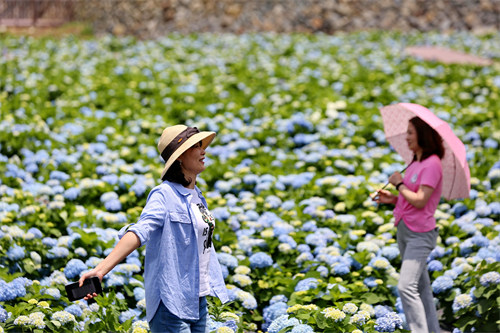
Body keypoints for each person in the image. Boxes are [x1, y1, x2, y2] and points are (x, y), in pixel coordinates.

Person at [79, 125, 229, 333]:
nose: (203, 151)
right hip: (171, 302)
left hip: (198, 299)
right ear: (179, 156)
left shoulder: (197, 196)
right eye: (196, 146)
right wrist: (101, 270)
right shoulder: (163, 194)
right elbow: (140, 232)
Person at [373, 116, 444, 333]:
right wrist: (392, 199)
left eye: (411, 132)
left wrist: (399, 184)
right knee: (421, 288)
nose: (407, 137)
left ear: (423, 135)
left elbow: (421, 200)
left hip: (420, 234)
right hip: (405, 229)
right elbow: (410, 199)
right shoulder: (415, 163)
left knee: (406, 287)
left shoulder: (432, 164)